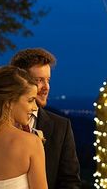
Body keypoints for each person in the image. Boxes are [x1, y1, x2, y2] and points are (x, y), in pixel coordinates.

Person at [10, 48, 81, 189]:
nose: (46, 87)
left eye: (48, 80)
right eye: (39, 80)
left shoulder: (61, 126)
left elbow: (70, 181)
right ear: (20, 82)